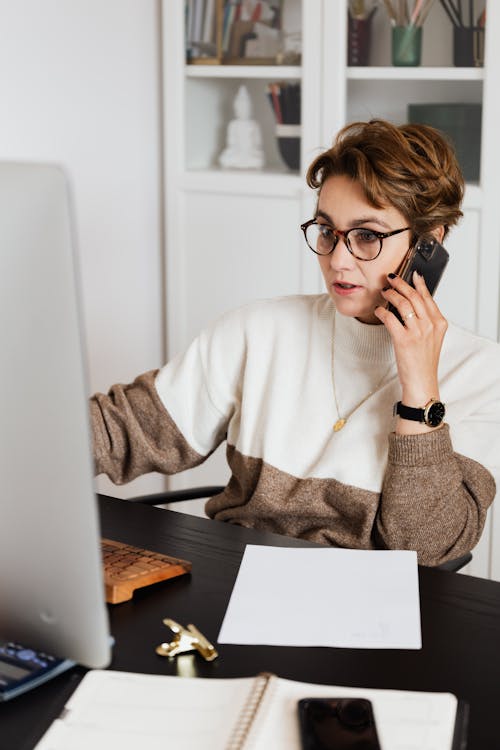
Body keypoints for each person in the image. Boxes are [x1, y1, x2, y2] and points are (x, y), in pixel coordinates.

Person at [91, 119, 500, 566]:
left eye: (367, 236)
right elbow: (123, 432)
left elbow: (427, 547)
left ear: (428, 243)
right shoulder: (257, 329)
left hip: (373, 612)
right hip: (236, 579)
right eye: (327, 231)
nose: (337, 260)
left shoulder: (483, 373)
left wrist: (419, 388)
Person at [218, 84, 265, 170]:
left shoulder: (253, 124)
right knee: (224, 159)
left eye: (245, 107)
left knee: (258, 160)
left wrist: (254, 150)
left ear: (250, 108)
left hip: (250, 153)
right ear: (236, 108)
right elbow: (231, 143)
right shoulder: (233, 125)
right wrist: (234, 150)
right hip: (237, 153)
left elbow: (257, 143)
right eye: (241, 107)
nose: (243, 109)